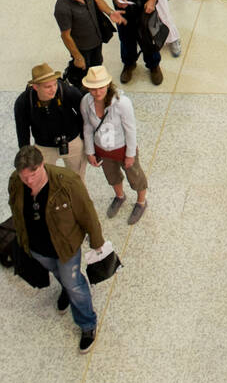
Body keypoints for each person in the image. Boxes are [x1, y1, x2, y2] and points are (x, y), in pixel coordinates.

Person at [8, 145, 105, 353]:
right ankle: (66, 289)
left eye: (33, 174)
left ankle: (87, 323)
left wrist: (97, 242)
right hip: (37, 247)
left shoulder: (67, 182)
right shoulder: (16, 182)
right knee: (57, 273)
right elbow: (15, 209)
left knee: (74, 284)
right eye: (24, 177)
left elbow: (87, 213)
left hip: (65, 247)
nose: (29, 181)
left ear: (42, 164)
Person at [80, 64, 148, 223]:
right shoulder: (85, 102)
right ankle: (119, 196)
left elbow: (131, 130)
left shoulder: (121, 103)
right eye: (93, 89)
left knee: (135, 176)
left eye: (101, 88)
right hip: (103, 149)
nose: (97, 92)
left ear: (108, 85)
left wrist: (130, 155)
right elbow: (88, 127)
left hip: (122, 148)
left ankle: (141, 202)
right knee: (111, 176)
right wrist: (89, 151)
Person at [14, 63, 86, 178]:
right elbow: (22, 131)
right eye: (47, 87)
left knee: (77, 179)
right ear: (35, 87)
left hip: (71, 141)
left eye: (55, 84)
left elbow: (84, 115)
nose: (53, 89)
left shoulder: (68, 92)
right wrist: (26, 156)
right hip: (43, 145)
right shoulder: (23, 102)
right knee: (43, 180)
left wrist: (84, 139)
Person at [55, 0, 122, 87]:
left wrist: (110, 12)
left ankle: (98, 84)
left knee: (97, 65)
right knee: (83, 73)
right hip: (82, 48)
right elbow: (66, 36)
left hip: (96, 39)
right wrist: (78, 57)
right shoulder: (62, 8)